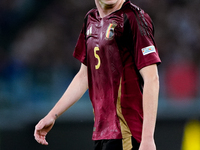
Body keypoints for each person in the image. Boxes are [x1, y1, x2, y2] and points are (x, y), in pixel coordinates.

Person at [34, 0, 161, 150]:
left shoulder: (134, 18)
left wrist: (147, 139)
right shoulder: (90, 19)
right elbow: (84, 76)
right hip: (102, 133)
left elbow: (152, 78)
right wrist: (52, 115)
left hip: (127, 134)